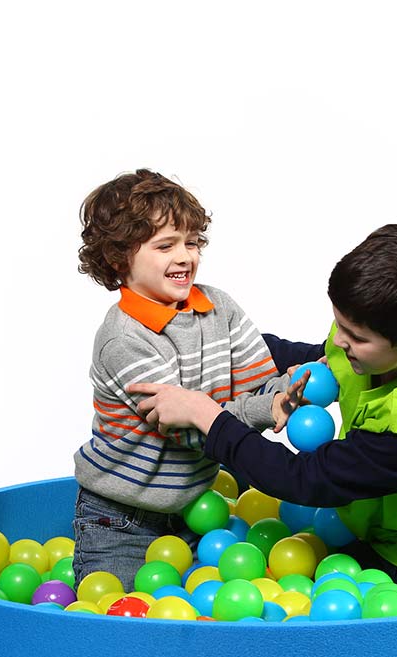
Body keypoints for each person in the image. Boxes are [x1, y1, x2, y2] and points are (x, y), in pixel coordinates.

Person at [130, 222, 397, 588]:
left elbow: (306, 480)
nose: (340, 341)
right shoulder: (379, 346)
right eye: (338, 324)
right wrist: (217, 346)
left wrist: (205, 416)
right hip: (374, 517)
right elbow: (315, 357)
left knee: (326, 606)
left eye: (355, 336)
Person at [72, 170, 301, 591]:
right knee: (122, 622)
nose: (185, 256)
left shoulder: (219, 307)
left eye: (192, 242)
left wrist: (286, 390)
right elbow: (185, 427)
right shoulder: (123, 339)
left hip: (199, 510)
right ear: (118, 259)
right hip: (121, 521)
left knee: (208, 618)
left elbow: (258, 377)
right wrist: (264, 410)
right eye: (166, 245)